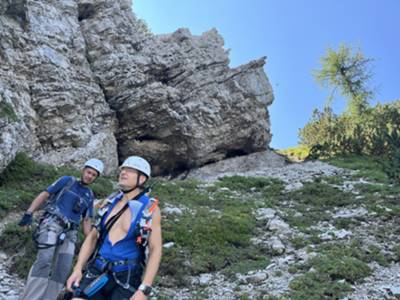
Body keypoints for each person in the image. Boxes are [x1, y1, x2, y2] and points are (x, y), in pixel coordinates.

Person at [66, 156, 162, 300]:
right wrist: (78, 269)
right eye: (123, 169)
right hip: (97, 269)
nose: (123, 173)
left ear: (141, 179)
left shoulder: (150, 209)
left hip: (127, 275)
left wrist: (144, 288)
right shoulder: (109, 203)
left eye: (129, 170)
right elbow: (92, 237)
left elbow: (156, 249)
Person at [18, 158, 104, 300]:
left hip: (70, 233)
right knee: (44, 260)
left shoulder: (89, 195)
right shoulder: (67, 181)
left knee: (63, 269)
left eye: (94, 175)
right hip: (51, 224)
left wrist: (91, 244)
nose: (90, 176)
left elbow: (87, 221)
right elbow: (45, 194)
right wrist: (28, 213)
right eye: (89, 172)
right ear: (83, 170)